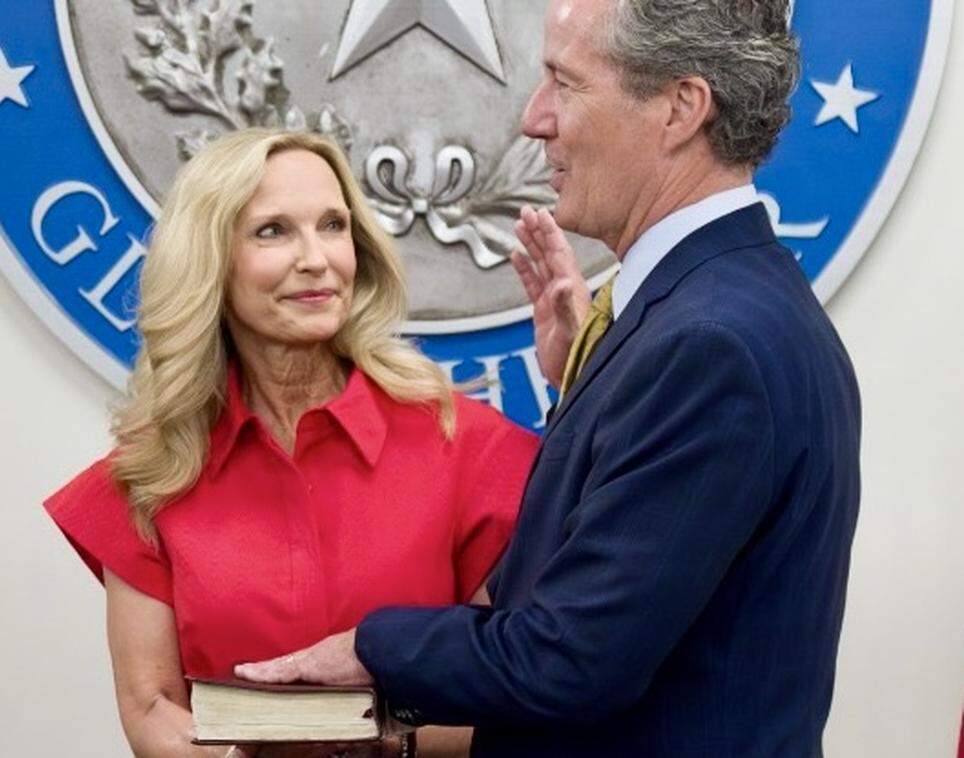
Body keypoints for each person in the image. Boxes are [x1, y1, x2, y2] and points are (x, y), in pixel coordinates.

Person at [235, 1, 862, 756]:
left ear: (679, 108)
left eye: (565, 83)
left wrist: (371, 648)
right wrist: (587, 380)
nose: (535, 119)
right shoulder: (716, 309)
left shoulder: (707, 344)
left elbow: (572, 660)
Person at [44, 129, 538, 757]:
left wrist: (386, 745)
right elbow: (151, 706)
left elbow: (518, 689)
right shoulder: (150, 474)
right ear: (210, 261)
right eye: (273, 231)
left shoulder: (470, 447)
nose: (316, 259)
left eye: (333, 226)